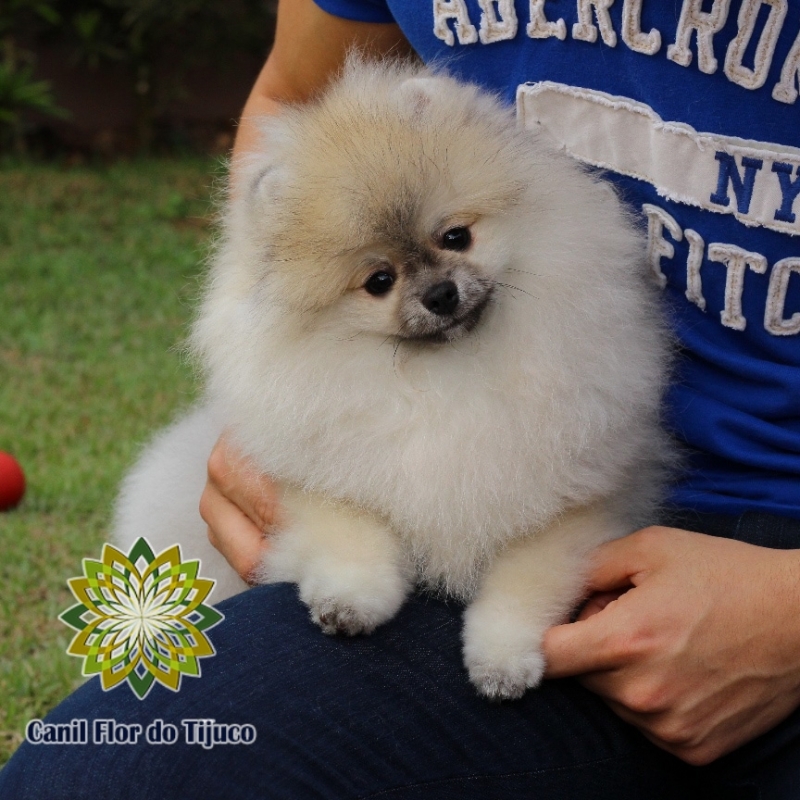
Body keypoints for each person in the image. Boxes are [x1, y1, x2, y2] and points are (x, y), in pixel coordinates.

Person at [1, 1, 798, 797]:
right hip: (461, 588)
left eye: (455, 240)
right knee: (96, 776)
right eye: (381, 282)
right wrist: (277, 421)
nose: (439, 288)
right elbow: (294, 95)